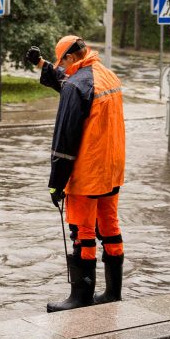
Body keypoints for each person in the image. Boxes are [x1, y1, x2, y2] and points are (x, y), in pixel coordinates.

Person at [25, 36, 125, 311]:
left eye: (62, 63)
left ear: (71, 58)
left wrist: (55, 184)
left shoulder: (77, 85)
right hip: (112, 169)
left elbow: (65, 141)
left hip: (88, 172)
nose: (63, 70)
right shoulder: (107, 75)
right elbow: (70, 80)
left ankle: (80, 297)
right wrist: (42, 64)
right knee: (110, 228)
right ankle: (113, 293)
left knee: (83, 232)